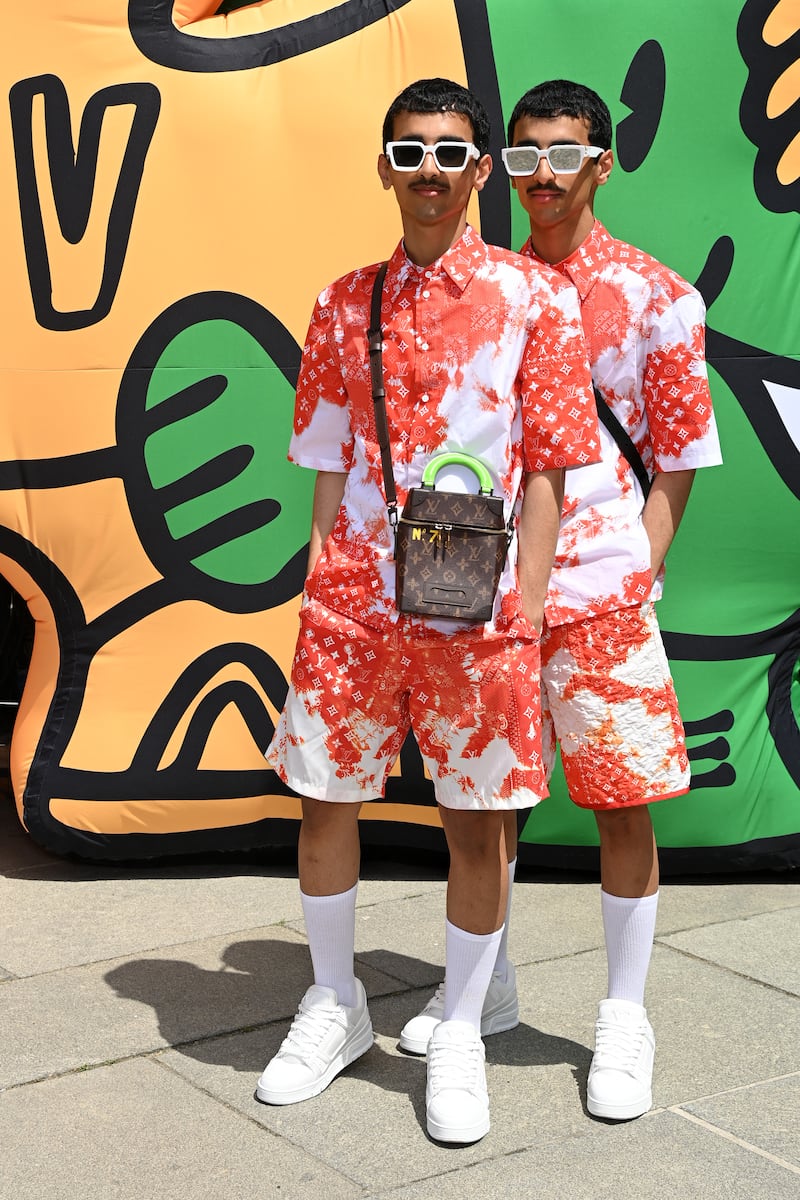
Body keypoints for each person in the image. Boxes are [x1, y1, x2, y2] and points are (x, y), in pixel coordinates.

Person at [257, 77, 599, 1144]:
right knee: (324, 800)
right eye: (409, 154)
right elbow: (323, 460)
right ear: (383, 166)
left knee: (476, 824)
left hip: (479, 604)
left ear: (480, 168)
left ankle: (457, 1022)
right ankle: (333, 1002)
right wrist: (320, 580)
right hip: (356, 599)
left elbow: (548, 467)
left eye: (450, 155)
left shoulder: (533, 300)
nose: (430, 175)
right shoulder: (338, 300)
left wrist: (529, 602)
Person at [401, 79, 723, 1123]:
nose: (543, 175)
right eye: (527, 155)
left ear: (601, 163)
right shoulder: (471, 283)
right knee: (485, 802)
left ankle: (623, 1016)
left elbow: (677, 460)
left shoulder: (656, 296)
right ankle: (482, 988)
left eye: (563, 154)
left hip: (598, 590)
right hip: (477, 584)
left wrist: (636, 566)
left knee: (618, 803)